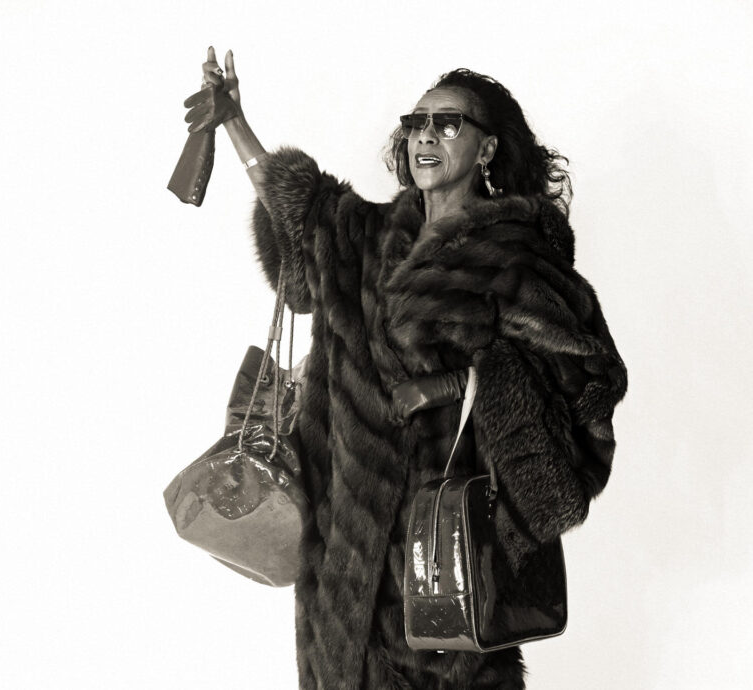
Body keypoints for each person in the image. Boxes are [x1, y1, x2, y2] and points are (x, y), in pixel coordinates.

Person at [182, 47, 628, 690]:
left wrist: (462, 385)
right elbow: (300, 222)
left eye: (448, 124)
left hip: (446, 559)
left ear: (486, 148)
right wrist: (234, 121)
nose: (425, 136)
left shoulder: (516, 258)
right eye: (417, 123)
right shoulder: (365, 238)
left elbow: (584, 383)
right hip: (341, 567)